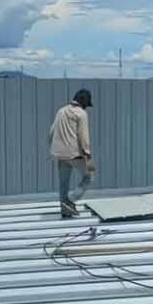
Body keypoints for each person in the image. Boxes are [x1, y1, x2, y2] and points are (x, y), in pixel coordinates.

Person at [48, 89, 97, 218]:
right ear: (84, 102)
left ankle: (65, 210)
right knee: (90, 176)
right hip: (75, 154)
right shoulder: (81, 114)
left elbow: (51, 131)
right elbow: (83, 136)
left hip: (59, 154)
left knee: (63, 183)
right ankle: (70, 201)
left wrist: (53, 149)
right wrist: (88, 155)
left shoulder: (61, 111)